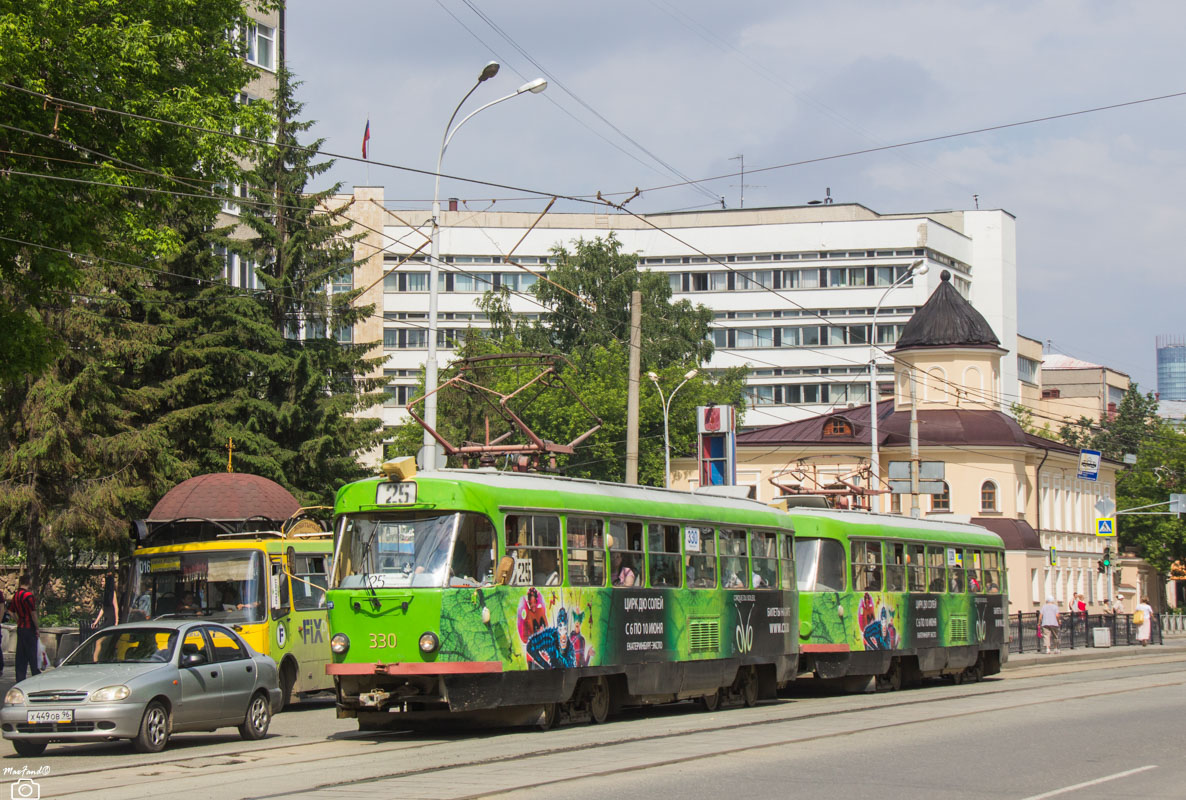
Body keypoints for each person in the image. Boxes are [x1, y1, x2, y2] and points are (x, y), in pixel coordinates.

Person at [12, 575, 40, 682]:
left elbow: (10, 611)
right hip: (29, 628)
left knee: (21, 655)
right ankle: (36, 677)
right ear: (28, 582)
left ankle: (20, 678)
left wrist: (18, 619)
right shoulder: (28, 596)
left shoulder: (16, 595)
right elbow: (33, 613)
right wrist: (37, 627)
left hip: (21, 627)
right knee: (32, 655)